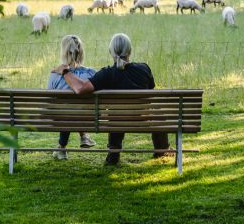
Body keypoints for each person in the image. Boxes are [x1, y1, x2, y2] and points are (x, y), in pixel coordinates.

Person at [52, 32, 172, 165]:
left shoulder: (107, 74)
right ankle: (162, 150)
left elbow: (80, 89)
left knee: (116, 114)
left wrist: (64, 72)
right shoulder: (144, 69)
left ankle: (114, 154)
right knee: (158, 112)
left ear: (111, 52)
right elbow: (150, 93)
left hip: (117, 120)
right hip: (141, 117)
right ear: (130, 51)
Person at [48, 34, 96, 160]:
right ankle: (84, 135)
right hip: (88, 117)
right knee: (75, 109)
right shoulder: (91, 73)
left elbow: (50, 98)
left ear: (63, 52)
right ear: (81, 52)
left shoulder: (55, 74)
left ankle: (62, 148)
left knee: (67, 110)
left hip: (60, 118)